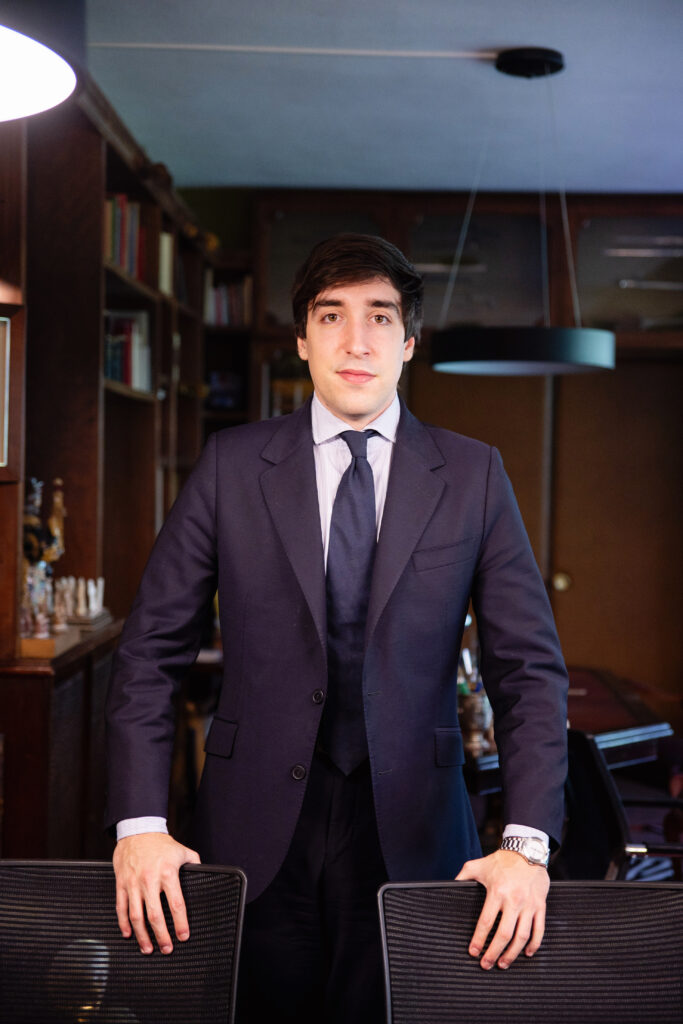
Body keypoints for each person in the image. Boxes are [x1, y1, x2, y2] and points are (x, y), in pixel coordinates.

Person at [106, 234, 568, 1023]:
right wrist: (140, 826)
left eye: (380, 317)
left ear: (409, 341)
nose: (356, 341)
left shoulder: (474, 475)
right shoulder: (229, 465)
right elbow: (150, 654)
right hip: (251, 825)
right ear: (301, 338)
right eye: (331, 316)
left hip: (416, 830)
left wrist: (526, 846)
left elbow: (526, 670)